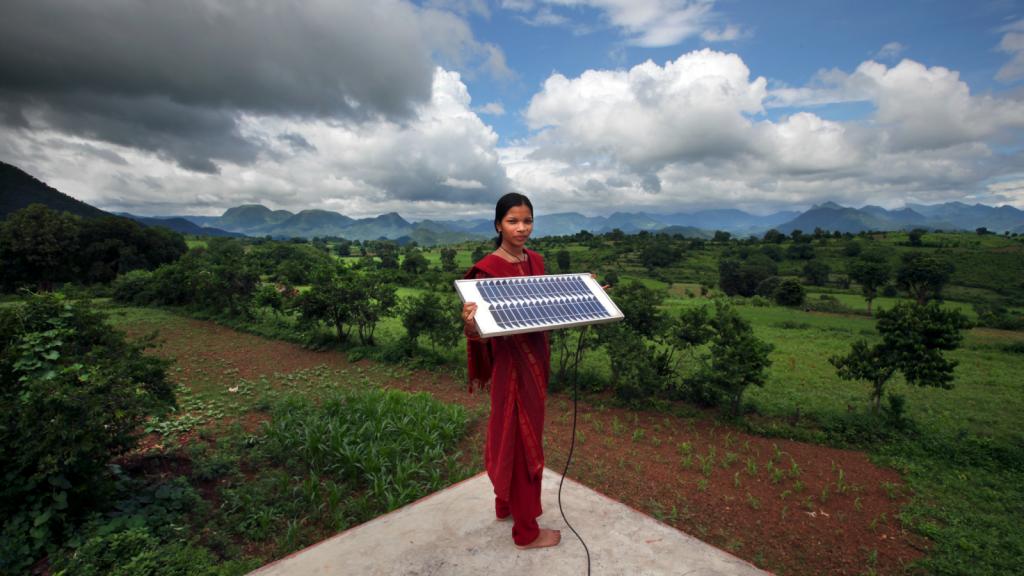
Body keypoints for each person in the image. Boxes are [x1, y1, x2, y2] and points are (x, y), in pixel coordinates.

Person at [461, 192, 562, 549]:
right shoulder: (486, 270)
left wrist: (583, 295)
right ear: (498, 224)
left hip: (537, 363)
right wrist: (471, 326)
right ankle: (526, 531)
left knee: (517, 434)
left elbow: (544, 308)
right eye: (513, 221)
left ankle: (504, 505)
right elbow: (479, 334)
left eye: (528, 221)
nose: (522, 228)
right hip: (512, 370)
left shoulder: (536, 261)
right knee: (517, 440)